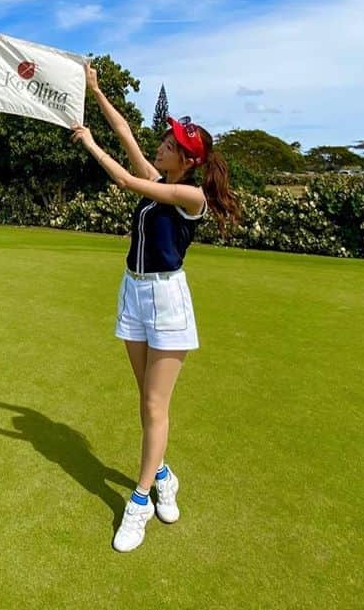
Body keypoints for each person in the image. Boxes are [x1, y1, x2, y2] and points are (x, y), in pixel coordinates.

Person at [71, 63, 239, 552]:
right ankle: (164, 475)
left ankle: (139, 501)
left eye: (170, 144)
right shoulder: (161, 176)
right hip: (134, 293)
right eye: (164, 141)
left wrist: (88, 144)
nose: (161, 145)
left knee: (153, 405)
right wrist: (96, 93)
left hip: (166, 300)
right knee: (147, 399)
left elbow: (125, 180)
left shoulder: (189, 195)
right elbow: (125, 131)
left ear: (187, 160)